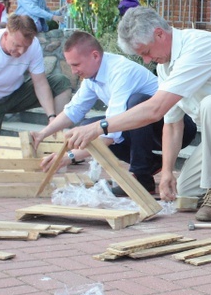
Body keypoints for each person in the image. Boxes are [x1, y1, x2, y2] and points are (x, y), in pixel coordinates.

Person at [64, 6, 211, 221]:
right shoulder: (164, 67)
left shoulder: (197, 46)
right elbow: (171, 123)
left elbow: (155, 109)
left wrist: (99, 126)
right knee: (187, 190)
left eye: (146, 52)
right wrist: (167, 173)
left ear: (159, 34)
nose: (147, 60)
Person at [32, 30, 197, 195]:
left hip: (178, 126)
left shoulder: (120, 71)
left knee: (134, 104)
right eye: (70, 65)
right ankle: (151, 164)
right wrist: (42, 134)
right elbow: (74, 111)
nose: (74, 71)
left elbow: (111, 132)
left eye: (76, 64)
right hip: (146, 130)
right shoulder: (92, 76)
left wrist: (69, 156)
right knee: (87, 126)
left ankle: (141, 177)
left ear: (95, 56)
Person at [0, 14, 72, 157]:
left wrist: (52, 117)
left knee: (60, 82)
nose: (21, 51)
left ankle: (56, 145)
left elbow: (40, 83)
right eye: (17, 45)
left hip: (16, 94)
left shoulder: (33, 45)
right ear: (5, 35)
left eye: (25, 47)